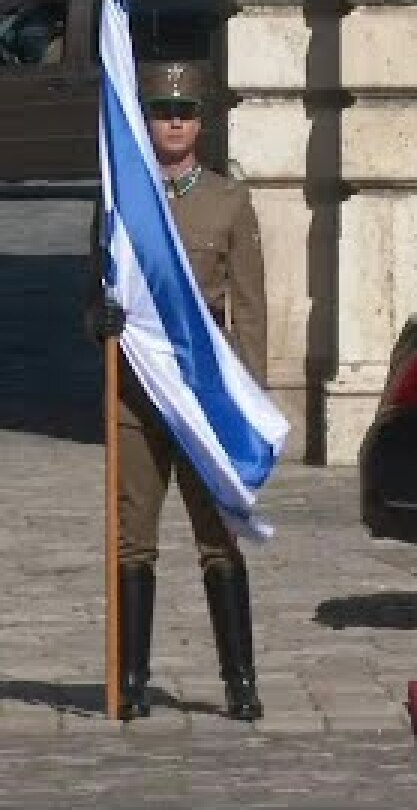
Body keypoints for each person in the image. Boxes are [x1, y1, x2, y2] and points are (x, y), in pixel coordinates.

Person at [91, 61, 268, 722]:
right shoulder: (120, 202)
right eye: (163, 112)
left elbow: (249, 309)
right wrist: (100, 320)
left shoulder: (228, 201)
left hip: (202, 398)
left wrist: (247, 402)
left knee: (217, 538)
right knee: (133, 539)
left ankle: (239, 680)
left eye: (185, 112)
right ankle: (132, 680)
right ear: (146, 121)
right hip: (137, 396)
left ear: (202, 123)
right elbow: (92, 299)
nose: (174, 122)